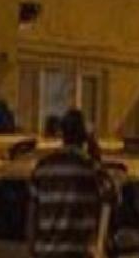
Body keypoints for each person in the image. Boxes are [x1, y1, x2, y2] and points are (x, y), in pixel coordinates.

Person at [28, 109, 114, 258]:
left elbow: (32, 212)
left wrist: (32, 248)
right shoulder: (90, 168)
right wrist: (95, 150)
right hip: (77, 252)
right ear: (83, 136)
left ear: (63, 134)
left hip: (46, 252)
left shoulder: (43, 167)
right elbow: (110, 194)